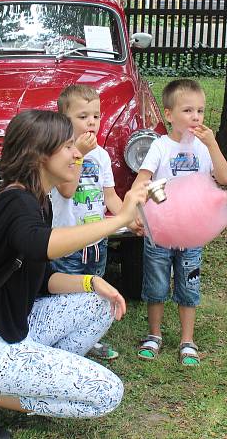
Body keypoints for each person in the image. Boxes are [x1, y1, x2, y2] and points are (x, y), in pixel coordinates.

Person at [0, 109, 149, 439]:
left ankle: (37, 377)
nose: (77, 153)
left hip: (17, 328)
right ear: (38, 154)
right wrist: (120, 219)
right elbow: (42, 245)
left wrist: (92, 281)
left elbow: (40, 278)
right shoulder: (14, 203)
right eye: (67, 147)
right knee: (106, 393)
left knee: (98, 302)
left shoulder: (38, 200)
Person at [131, 79, 227, 366]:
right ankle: (154, 335)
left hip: (192, 233)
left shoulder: (203, 148)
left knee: (188, 286)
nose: (195, 117)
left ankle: (187, 340)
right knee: (157, 284)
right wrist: (137, 211)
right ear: (169, 115)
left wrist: (212, 144)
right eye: (187, 110)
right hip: (159, 231)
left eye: (200, 111)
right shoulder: (160, 146)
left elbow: (224, 178)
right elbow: (143, 181)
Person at [49, 84, 130, 361]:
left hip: (96, 241)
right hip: (68, 242)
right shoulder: (59, 153)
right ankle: (62, 342)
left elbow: (110, 197)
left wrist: (128, 219)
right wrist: (78, 155)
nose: (92, 122)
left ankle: (89, 339)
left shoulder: (103, 155)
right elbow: (67, 191)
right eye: (83, 116)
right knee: (69, 292)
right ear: (64, 120)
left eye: (96, 115)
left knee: (96, 289)